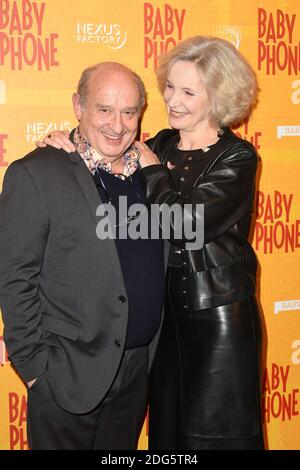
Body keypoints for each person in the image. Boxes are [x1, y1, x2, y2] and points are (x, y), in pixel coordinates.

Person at [44, 36, 265, 450]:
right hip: (164, 326)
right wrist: (67, 143)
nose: (172, 100)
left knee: (216, 438)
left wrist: (153, 171)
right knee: (167, 439)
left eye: (188, 91)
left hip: (217, 325)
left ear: (217, 97)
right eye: (169, 87)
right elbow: (104, 154)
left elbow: (183, 223)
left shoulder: (237, 158)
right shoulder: (161, 143)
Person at [0, 62, 166, 450]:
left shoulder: (151, 173)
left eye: (129, 112)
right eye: (104, 110)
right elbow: (13, 275)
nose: (117, 125)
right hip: (67, 375)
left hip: (136, 372)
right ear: (78, 106)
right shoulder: (37, 172)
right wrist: (37, 369)